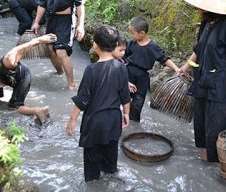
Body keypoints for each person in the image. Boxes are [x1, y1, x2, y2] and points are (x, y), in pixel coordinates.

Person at [179, 0, 226, 163]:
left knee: (217, 130)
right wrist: (186, 67)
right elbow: (198, 50)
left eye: (200, 7)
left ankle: (222, 173)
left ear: (210, 8)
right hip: (202, 82)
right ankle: (205, 167)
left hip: (220, 88)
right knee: (201, 127)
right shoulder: (207, 24)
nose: (198, 10)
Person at [66, 25, 131, 182]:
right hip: (114, 119)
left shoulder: (91, 69)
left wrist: (72, 120)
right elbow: (125, 96)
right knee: (110, 159)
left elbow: (82, 99)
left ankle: (94, 183)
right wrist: (126, 114)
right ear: (116, 46)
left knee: (92, 168)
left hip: (94, 123)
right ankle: (110, 175)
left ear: (95, 44)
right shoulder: (121, 67)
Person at [32, 0, 85, 90]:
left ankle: (71, 83)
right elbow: (42, 2)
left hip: (66, 20)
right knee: (51, 50)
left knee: (61, 51)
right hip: (51, 19)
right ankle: (59, 72)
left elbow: (79, 4)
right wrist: (36, 21)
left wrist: (81, 25)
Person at [124, 16, 180, 122]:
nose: (132, 36)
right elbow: (123, 56)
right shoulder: (131, 43)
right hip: (128, 73)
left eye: (133, 33)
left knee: (138, 103)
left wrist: (176, 69)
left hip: (142, 78)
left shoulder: (153, 47)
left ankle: (133, 123)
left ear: (142, 33)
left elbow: (164, 59)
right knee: (123, 98)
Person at [0, 33, 57, 123]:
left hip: (23, 77)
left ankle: (38, 111)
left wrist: (39, 40)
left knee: (14, 107)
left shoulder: (8, 61)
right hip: (7, 78)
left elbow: (17, 49)